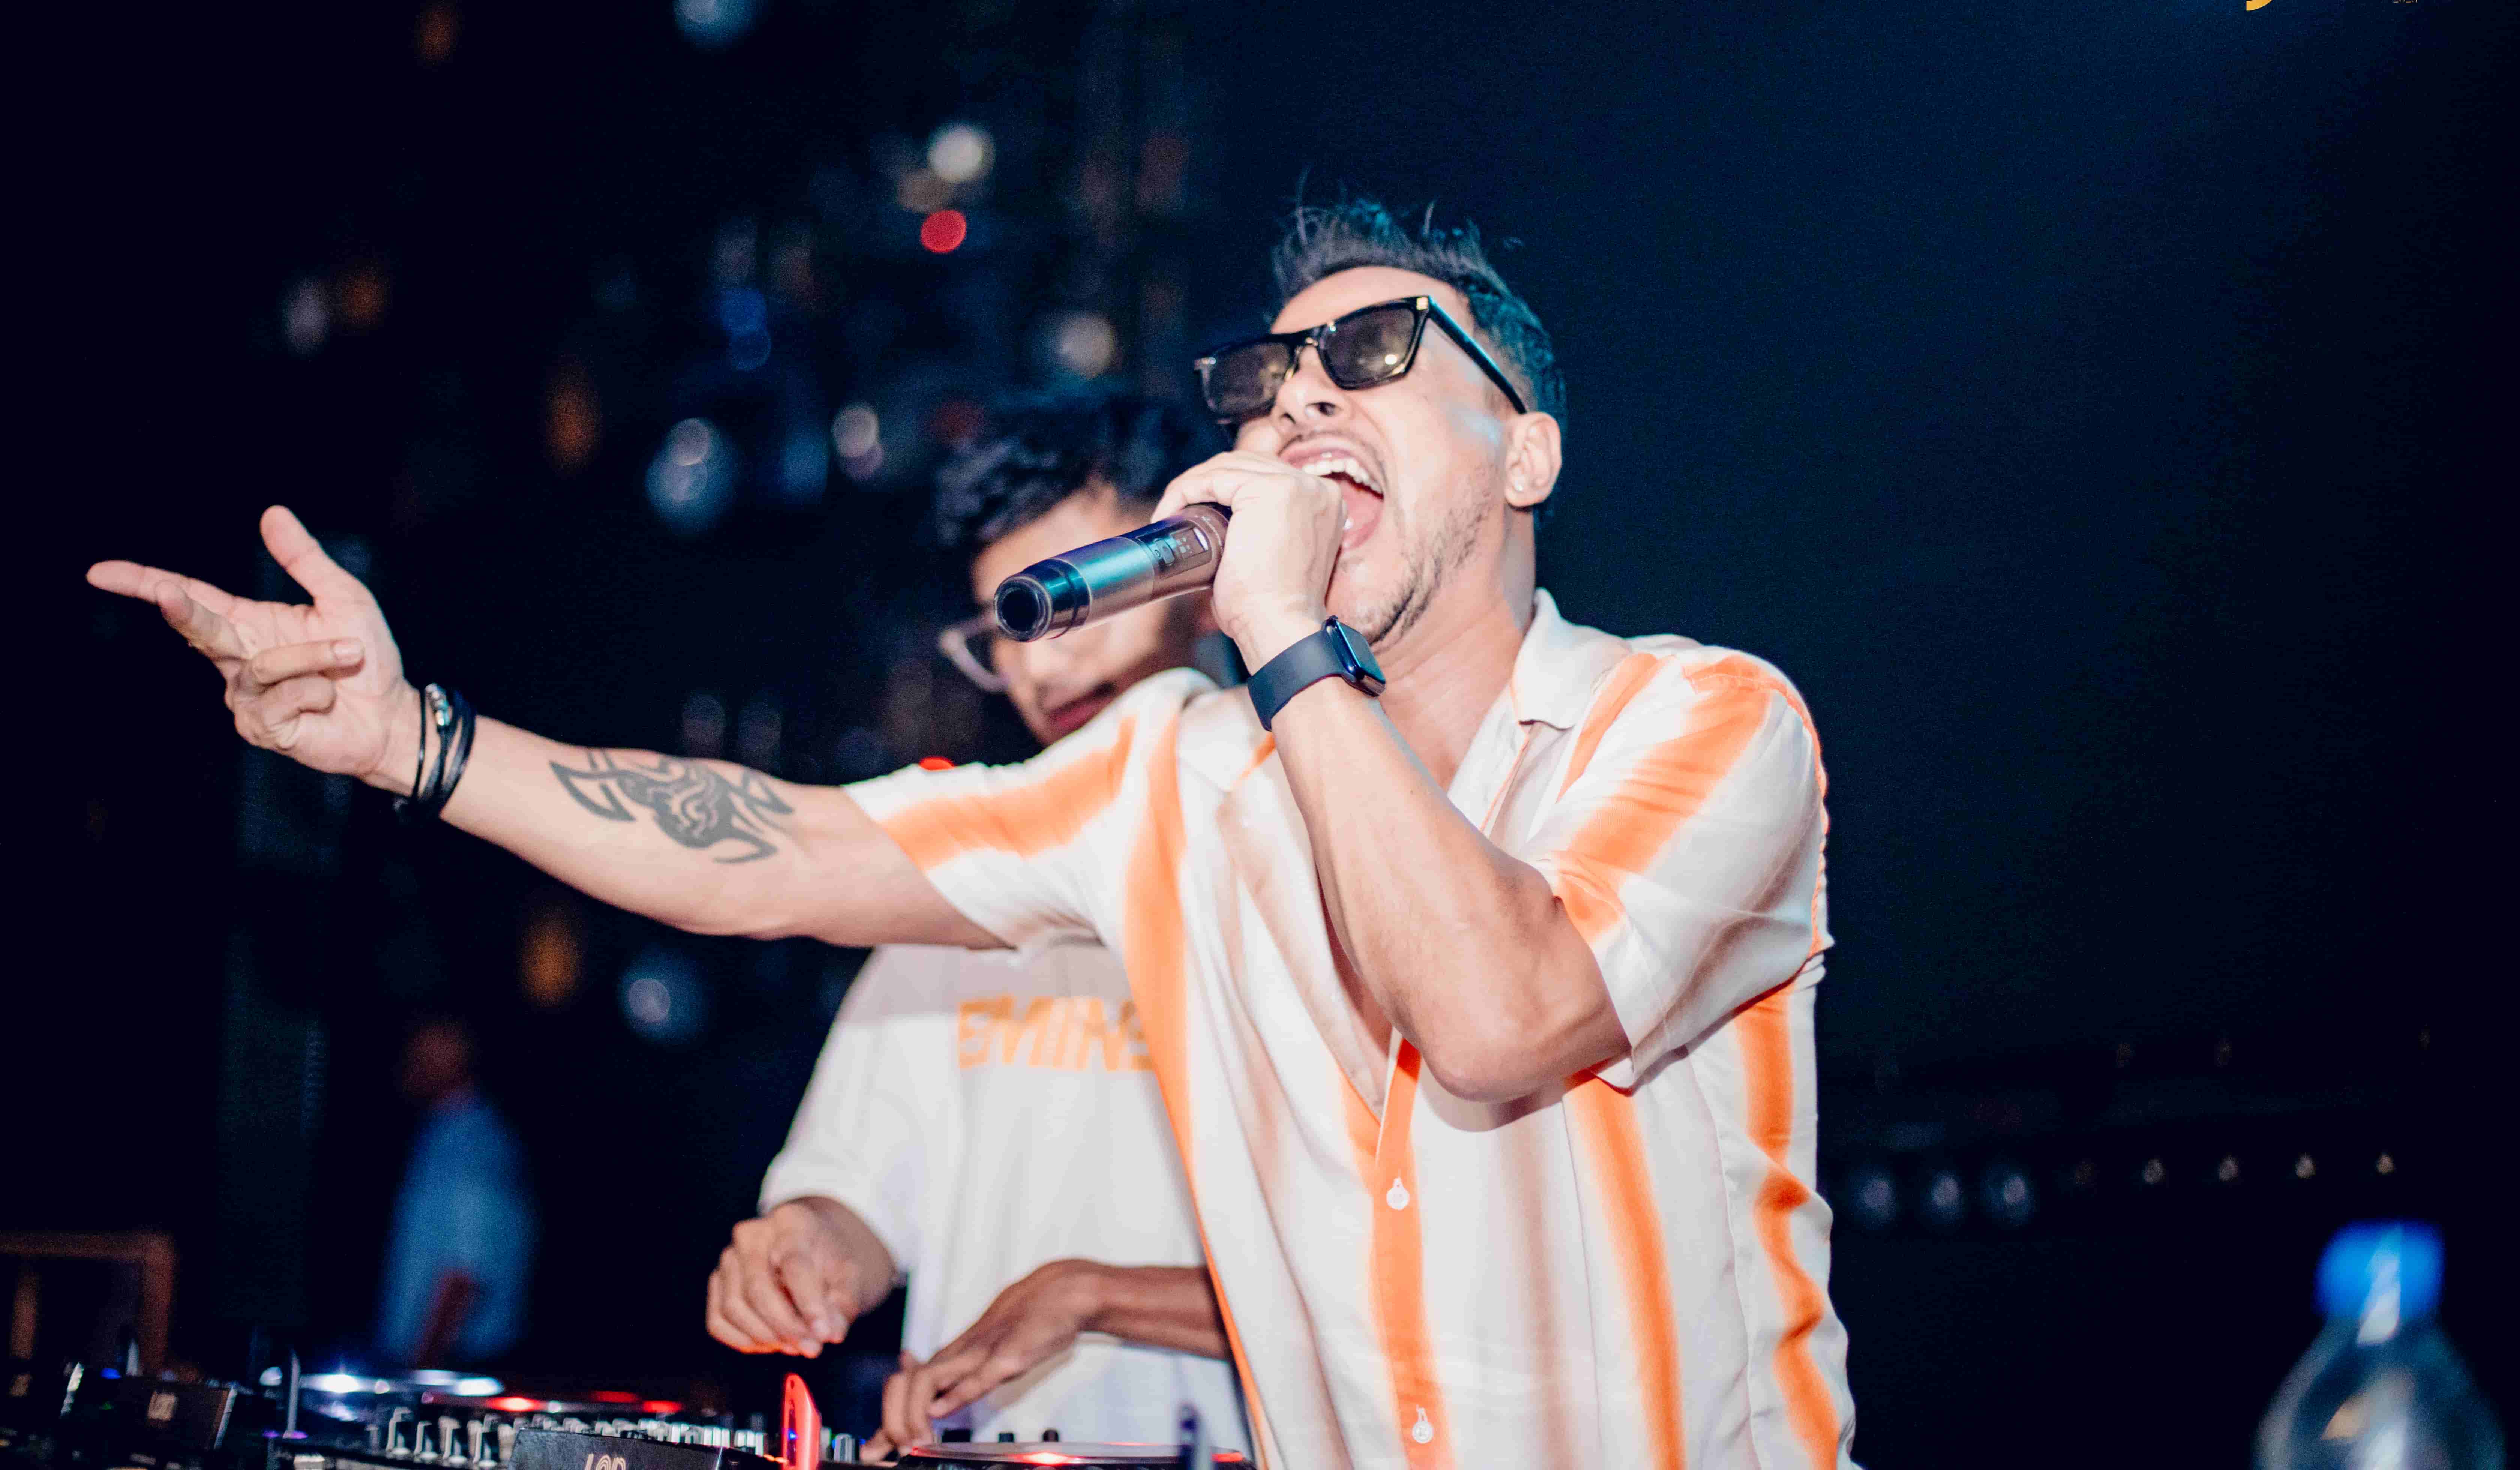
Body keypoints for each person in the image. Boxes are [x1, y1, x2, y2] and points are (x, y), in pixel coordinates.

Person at [93, 196, 1858, 1468]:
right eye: (1269, 379)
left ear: (1528, 454)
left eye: (1375, 354)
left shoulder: (1706, 724)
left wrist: (1281, 632)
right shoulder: (1178, 770)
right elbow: (778, 847)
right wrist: (417, 739)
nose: (1300, 401)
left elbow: (1499, 1012)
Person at [706, 391, 1250, 1452]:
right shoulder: (960, 879)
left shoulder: (1319, 844)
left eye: (1085, 594)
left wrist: (1092, 1294)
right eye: (1018, 619)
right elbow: (858, 1199)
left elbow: (1404, 1278)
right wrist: (805, 1248)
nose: (1040, 664)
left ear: (1206, 575)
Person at [373, 1016, 533, 1370]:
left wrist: (419, 1376)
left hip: (453, 1368)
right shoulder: (441, 1133)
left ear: (455, 1055)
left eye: (420, 1053)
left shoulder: (473, 1145)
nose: (407, 1064)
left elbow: (464, 1277)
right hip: (430, 1362)